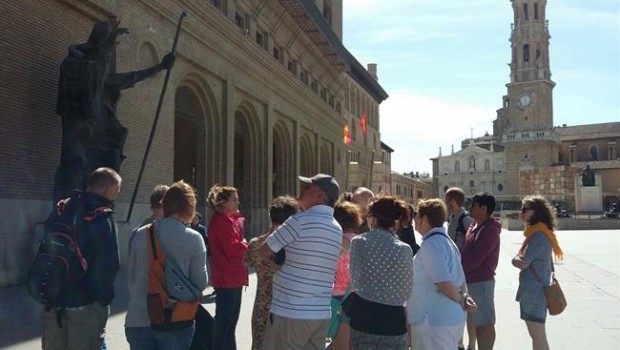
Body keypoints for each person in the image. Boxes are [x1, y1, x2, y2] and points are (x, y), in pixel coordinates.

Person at [53, 20, 175, 202]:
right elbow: (84, 86)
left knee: (110, 158)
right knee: (76, 164)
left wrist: (160, 67)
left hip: (95, 135)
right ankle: (67, 212)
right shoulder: (76, 63)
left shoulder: (100, 74)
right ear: (100, 43)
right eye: (110, 45)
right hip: (79, 131)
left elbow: (129, 77)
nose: (111, 52)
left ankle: (100, 204)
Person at [259, 174, 343, 350]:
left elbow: (264, 250)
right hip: (320, 312)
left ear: (320, 195)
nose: (301, 190)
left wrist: (278, 267)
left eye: (307, 188)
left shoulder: (298, 221)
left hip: (291, 310)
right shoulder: (336, 228)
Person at [42, 167, 121, 350]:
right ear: (109, 189)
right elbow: (109, 265)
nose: (117, 194)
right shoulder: (103, 217)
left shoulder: (62, 209)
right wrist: (104, 299)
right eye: (117, 189)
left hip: (54, 301)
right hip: (86, 302)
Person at [124, 180, 208, 349]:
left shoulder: (141, 233)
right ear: (189, 207)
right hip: (173, 319)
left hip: (138, 318)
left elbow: (130, 277)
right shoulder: (193, 238)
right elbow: (200, 283)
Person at [407, 198, 477, 350]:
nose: (414, 220)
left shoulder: (432, 244)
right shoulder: (446, 242)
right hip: (443, 320)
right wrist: (464, 297)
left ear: (424, 218)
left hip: (433, 322)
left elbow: (443, 282)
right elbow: (460, 278)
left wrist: (462, 299)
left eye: (417, 215)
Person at [346, 195, 413, 350]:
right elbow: (406, 292)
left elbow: (355, 282)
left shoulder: (359, 242)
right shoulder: (404, 249)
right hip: (393, 321)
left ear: (373, 218)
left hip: (364, 317)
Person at [244, 196, 300, 350]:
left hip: (261, 306)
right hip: (287, 307)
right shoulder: (295, 247)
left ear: (270, 215)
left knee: (259, 344)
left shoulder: (255, 244)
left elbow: (248, 262)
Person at [512, 196, 564, 350]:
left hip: (534, 293)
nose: (521, 213)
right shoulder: (539, 232)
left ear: (537, 212)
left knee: (537, 336)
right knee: (538, 335)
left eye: (525, 209)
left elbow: (523, 262)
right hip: (536, 291)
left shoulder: (538, 235)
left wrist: (514, 260)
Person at [207, 184, 248, 350]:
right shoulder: (222, 221)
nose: (237, 202)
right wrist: (246, 244)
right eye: (234, 199)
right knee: (226, 324)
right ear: (223, 202)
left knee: (228, 324)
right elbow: (232, 248)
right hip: (228, 277)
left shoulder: (229, 219)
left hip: (232, 277)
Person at [461, 193, 501, 350]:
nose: (470, 207)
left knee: (484, 324)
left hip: (481, 282)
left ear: (484, 209)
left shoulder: (490, 230)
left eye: (474, 205)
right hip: (470, 281)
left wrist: (459, 270)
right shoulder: (473, 225)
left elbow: (477, 257)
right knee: (476, 323)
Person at [329, 200, 363, 350]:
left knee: (339, 341)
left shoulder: (336, 240)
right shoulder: (361, 241)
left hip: (337, 295)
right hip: (356, 296)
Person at [445, 187, 476, 350]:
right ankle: (459, 343)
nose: (446, 203)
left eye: (448, 199)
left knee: (466, 309)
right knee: (458, 308)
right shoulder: (452, 218)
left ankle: (471, 345)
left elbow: (473, 244)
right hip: (455, 267)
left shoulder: (465, 220)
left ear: (454, 200)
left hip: (463, 269)